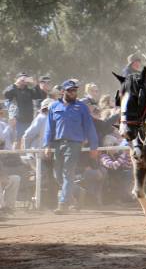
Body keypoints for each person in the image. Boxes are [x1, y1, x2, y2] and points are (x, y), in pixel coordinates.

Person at [43, 80, 100, 214]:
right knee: (57, 175)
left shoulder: (82, 107)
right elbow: (49, 128)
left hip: (74, 144)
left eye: (75, 90)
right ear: (63, 91)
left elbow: (89, 127)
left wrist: (94, 146)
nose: (73, 93)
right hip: (58, 144)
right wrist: (46, 145)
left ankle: (63, 204)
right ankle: (78, 192)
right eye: (70, 90)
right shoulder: (54, 107)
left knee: (68, 173)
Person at [3, 73, 46, 138]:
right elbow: (6, 94)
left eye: (26, 78)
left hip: (29, 120)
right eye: (22, 78)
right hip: (17, 120)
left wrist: (35, 84)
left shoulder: (29, 91)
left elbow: (41, 95)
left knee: (26, 139)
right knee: (17, 140)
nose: (24, 80)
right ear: (17, 79)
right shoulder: (14, 90)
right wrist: (16, 84)